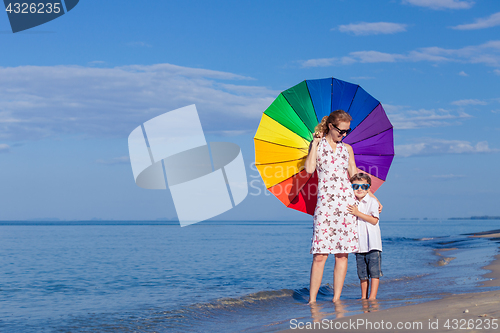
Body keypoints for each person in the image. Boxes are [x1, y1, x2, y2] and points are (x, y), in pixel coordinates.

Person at [304, 110, 359, 303]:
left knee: (342, 255)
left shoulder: (347, 149)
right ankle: (312, 300)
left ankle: (336, 299)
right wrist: (315, 144)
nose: (343, 135)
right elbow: (310, 169)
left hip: (346, 205)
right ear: (331, 126)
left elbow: (354, 176)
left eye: (347, 131)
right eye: (341, 131)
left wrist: (372, 197)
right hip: (326, 205)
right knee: (320, 255)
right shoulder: (317, 146)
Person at [347, 173, 382, 300]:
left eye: (363, 186)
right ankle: (363, 296)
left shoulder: (372, 201)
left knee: (374, 272)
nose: (360, 189)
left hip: (372, 243)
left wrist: (358, 213)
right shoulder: (351, 202)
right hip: (359, 244)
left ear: (368, 188)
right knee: (362, 273)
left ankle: (372, 297)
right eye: (356, 186)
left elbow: (374, 220)